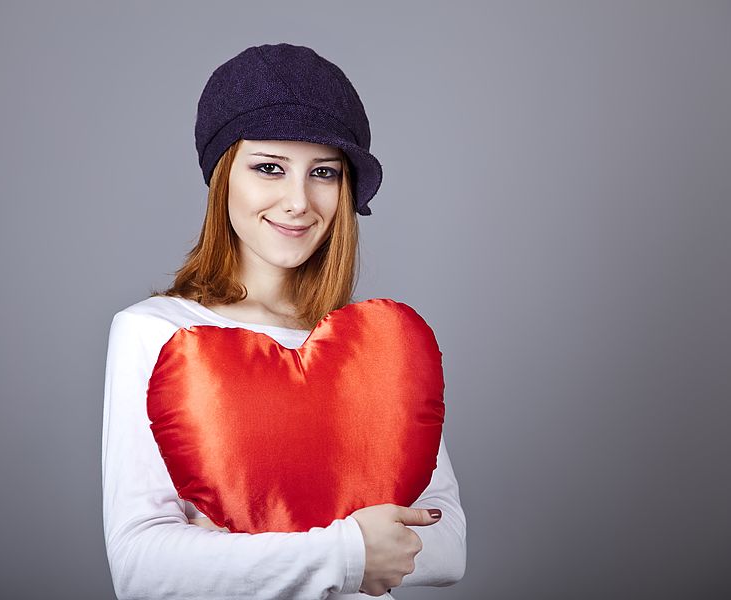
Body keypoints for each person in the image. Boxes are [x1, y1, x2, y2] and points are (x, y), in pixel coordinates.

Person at [101, 43, 467, 600]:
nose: (297, 200)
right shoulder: (154, 330)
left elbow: (450, 544)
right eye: (269, 168)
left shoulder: (379, 347)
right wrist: (350, 552)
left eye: (323, 172)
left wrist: (234, 546)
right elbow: (140, 568)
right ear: (224, 175)